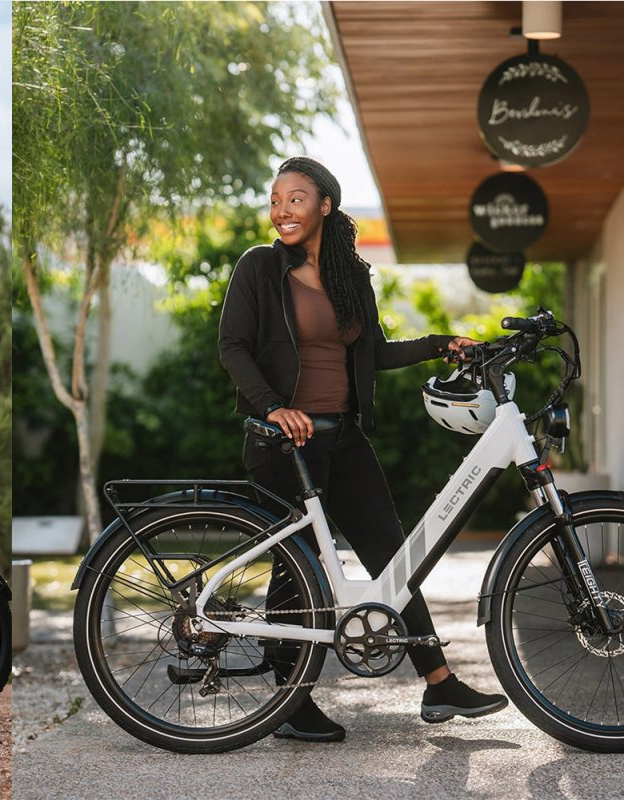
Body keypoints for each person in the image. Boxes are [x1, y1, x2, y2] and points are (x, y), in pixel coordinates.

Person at [217, 156, 509, 742]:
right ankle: (291, 704)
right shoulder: (259, 268)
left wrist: (437, 345)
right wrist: (274, 406)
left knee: (394, 553)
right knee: (298, 569)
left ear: (325, 204)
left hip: (344, 437)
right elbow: (233, 347)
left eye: (295, 198)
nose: (281, 211)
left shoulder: (352, 277)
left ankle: (439, 681)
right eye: (275, 200)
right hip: (283, 442)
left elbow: (372, 351)